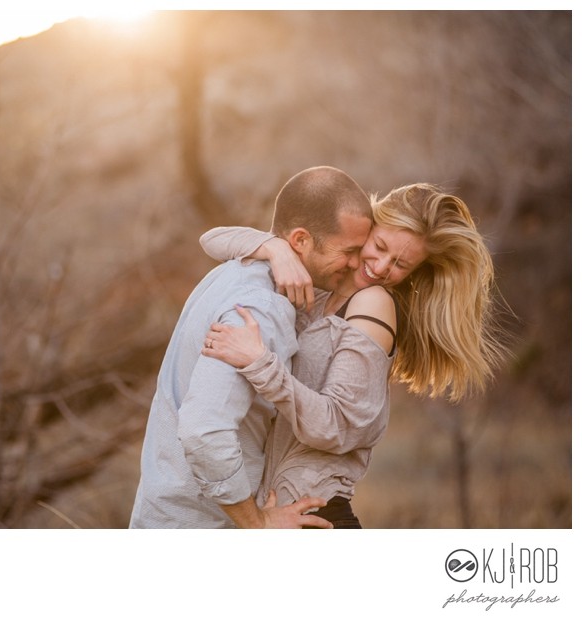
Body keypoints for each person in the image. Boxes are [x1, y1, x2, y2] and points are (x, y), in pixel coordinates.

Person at [199, 183, 509, 527]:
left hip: (318, 518)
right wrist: (276, 249)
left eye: (400, 265)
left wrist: (260, 364)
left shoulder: (373, 304)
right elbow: (212, 240)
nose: (380, 267)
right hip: (279, 519)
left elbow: (337, 425)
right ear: (370, 225)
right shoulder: (322, 283)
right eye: (379, 246)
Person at [129, 166, 373, 528]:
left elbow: (214, 239)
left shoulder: (235, 270)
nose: (358, 264)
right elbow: (203, 430)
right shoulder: (262, 307)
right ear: (301, 240)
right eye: (349, 251)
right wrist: (257, 523)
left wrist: (274, 247)